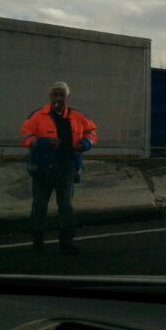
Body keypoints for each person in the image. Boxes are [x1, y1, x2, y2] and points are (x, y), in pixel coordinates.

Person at [20, 82, 97, 254]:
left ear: (67, 97)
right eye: (55, 94)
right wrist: (40, 142)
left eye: (61, 95)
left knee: (66, 205)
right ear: (50, 97)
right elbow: (25, 136)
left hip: (66, 167)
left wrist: (85, 143)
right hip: (42, 167)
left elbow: (91, 133)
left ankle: (67, 241)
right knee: (39, 204)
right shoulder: (37, 115)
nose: (58, 98)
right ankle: (37, 241)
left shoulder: (78, 115)